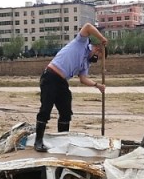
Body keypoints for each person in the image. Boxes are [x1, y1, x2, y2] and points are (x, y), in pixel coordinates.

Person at [34, 22, 108, 152]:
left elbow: (83, 79)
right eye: (99, 57)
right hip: (50, 76)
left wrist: (97, 85)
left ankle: (62, 140)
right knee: (46, 109)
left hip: (62, 82)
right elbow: (88, 26)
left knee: (66, 112)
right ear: (97, 49)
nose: (97, 60)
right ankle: (38, 141)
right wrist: (102, 38)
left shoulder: (86, 64)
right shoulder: (81, 42)